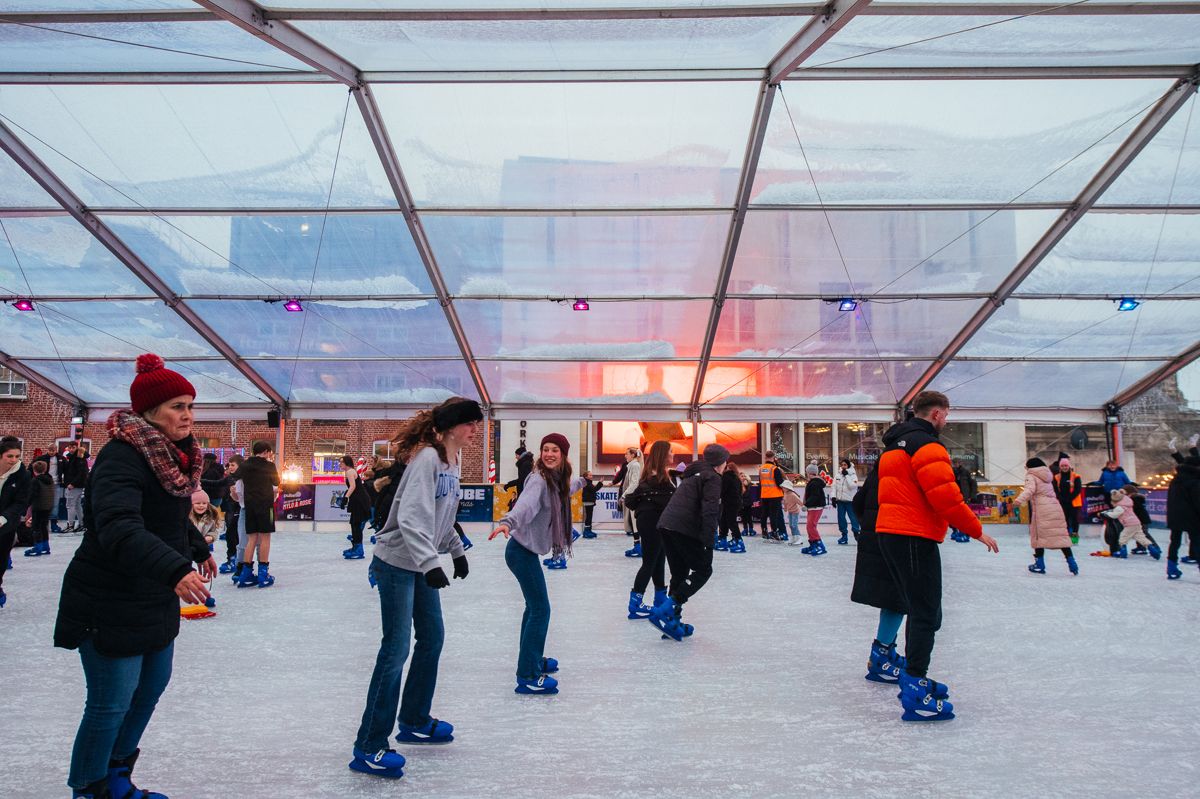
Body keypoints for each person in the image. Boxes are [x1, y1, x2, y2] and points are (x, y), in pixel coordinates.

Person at [55, 354, 215, 799]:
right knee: (110, 703)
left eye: (189, 405)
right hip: (110, 597)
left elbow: (165, 516)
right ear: (149, 413)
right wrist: (174, 568)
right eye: (176, 407)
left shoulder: (171, 457)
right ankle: (90, 787)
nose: (186, 415)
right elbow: (120, 526)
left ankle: (118, 777)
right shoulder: (122, 457)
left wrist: (196, 549)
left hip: (152, 595)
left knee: (149, 690)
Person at [349, 397, 480, 780]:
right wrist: (429, 562)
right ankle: (369, 745)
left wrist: (456, 551)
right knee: (395, 649)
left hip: (421, 561)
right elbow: (410, 515)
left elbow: (444, 513)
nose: (475, 430)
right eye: (470, 423)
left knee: (433, 637)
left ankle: (414, 719)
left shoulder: (452, 462)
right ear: (453, 425)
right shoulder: (426, 458)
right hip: (396, 562)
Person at [872, 391, 999, 722]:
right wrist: (975, 529)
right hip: (912, 535)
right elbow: (946, 496)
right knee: (926, 612)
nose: (947, 420)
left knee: (921, 608)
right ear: (938, 414)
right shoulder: (928, 446)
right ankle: (914, 686)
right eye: (947, 414)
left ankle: (914, 677)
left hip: (892, 532)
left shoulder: (894, 446)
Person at [488, 433, 583, 695]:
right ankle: (528, 674)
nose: (549, 454)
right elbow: (525, 505)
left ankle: (532, 658)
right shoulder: (539, 480)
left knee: (534, 609)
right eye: (545, 449)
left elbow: (569, 488)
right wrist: (507, 522)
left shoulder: (557, 480)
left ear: (563, 454)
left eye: (554, 450)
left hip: (525, 551)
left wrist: (584, 481)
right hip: (521, 551)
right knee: (541, 610)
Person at [647, 444, 729, 642]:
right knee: (703, 570)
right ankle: (666, 610)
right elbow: (709, 510)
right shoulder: (712, 477)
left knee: (680, 573)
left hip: (667, 525)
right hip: (682, 527)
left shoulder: (694, 474)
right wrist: (709, 542)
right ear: (720, 462)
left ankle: (671, 622)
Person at [623, 440, 676, 620]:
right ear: (663, 455)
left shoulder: (657, 476)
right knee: (650, 562)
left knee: (659, 559)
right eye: (670, 452)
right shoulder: (658, 478)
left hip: (654, 522)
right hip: (651, 522)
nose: (673, 455)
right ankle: (635, 603)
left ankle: (660, 599)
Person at [1013, 458, 1077, 576]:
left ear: (1030, 467)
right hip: (1055, 507)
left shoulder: (1031, 475)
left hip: (1042, 509)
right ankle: (1073, 564)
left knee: (1038, 537)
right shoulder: (1048, 475)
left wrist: (1017, 501)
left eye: (1026, 467)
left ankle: (1039, 564)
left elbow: (1029, 490)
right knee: (1060, 537)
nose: (1026, 469)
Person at [234, 441, 281, 588]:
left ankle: (246, 573)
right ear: (266, 451)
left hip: (249, 506)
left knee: (251, 539)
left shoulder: (245, 465)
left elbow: (235, 476)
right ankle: (263, 573)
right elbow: (276, 481)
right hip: (266, 506)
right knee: (265, 537)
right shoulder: (269, 465)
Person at [0, 437, 33, 607]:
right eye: (9, 456)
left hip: (6, 525)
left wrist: (4, 518)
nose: (13, 460)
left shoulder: (23, 475)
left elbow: (21, 502)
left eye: (17, 456)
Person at [1165, 447, 1200, 580]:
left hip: (1175, 516)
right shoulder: (1195, 482)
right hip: (1192, 517)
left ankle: (1171, 567)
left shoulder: (1176, 480)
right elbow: (1198, 502)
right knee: (1197, 542)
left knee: (1175, 541)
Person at [1103, 486, 1159, 559]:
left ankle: (1123, 552)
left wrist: (1105, 514)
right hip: (1137, 523)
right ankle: (1152, 549)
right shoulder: (1129, 504)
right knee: (1141, 537)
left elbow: (1114, 515)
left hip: (1129, 524)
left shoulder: (1120, 507)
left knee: (1123, 537)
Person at [342, 455, 372, 560]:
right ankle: (356, 547)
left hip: (360, 501)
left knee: (356, 524)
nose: (340, 464)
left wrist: (345, 498)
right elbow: (353, 487)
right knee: (355, 524)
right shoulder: (351, 471)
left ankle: (358, 550)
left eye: (341, 462)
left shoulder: (350, 472)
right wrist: (346, 497)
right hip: (358, 500)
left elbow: (353, 486)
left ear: (346, 463)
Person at [24, 458, 55, 557]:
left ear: (34, 470)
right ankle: (46, 546)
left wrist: (25, 506)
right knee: (44, 526)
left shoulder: (35, 481)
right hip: (48, 506)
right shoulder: (50, 479)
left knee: (36, 527)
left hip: (38, 506)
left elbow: (32, 494)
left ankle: (37, 547)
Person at [217, 455, 243, 574]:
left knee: (235, 535)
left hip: (239, 510)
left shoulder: (243, 479)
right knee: (229, 534)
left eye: (233, 465)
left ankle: (237, 560)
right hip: (229, 509)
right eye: (229, 465)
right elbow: (216, 483)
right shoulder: (229, 478)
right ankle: (231, 558)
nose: (230, 467)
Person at [1053, 453, 1083, 545]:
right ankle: (1065, 536)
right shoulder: (1057, 477)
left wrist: (1070, 498)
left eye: (1066, 465)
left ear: (1069, 466)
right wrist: (1060, 498)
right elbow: (1055, 489)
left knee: (1074, 519)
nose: (1064, 467)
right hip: (1062, 502)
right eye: (1062, 466)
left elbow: (1078, 489)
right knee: (1064, 520)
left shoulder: (1076, 476)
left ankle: (1074, 537)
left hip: (1074, 502)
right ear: (1060, 467)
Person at [758, 451, 787, 542]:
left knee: (764, 514)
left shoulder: (761, 468)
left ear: (765, 457)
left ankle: (764, 530)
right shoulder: (775, 469)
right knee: (774, 515)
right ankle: (774, 532)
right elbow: (779, 483)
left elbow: (760, 482)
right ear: (773, 457)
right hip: (775, 495)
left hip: (764, 494)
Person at [800, 463, 828, 556]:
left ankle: (820, 545)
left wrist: (806, 504)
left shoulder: (815, 483)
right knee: (809, 526)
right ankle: (813, 544)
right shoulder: (813, 482)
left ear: (809, 472)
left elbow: (815, 496)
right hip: (813, 507)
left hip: (815, 507)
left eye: (807, 472)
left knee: (811, 526)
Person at [62, 439, 89, 534]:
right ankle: (82, 524)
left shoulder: (79, 458)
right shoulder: (72, 458)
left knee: (70, 505)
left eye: (73, 447)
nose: (71, 449)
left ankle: (70, 525)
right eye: (70, 447)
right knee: (77, 505)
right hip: (76, 485)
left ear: (77, 447)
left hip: (74, 485)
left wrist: (73, 483)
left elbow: (81, 473)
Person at [620, 447, 643, 558]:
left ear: (633, 455)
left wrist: (624, 495)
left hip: (634, 498)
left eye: (627, 453)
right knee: (633, 523)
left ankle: (638, 547)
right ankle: (637, 545)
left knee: (635, 523)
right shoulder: (632, 466)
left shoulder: (635, 466)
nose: (625, 456)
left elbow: (634, 483)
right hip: (632, 497)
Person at [948, 459, 978, 543]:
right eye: (954, 463)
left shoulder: (966, 472)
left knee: (964, 516)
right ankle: (955, 531)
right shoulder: (950, 472)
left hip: (965, 498)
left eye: (956, 463)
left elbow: (973, 484)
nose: (955, 464)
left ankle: (965, 533)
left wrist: (972, 496)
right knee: (953, 516)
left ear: (960, 463)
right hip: (954, 498)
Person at [718, 461, 745, 553]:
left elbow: (722, 490)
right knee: (724, 520)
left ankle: (738, 541)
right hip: (735, 502)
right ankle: (723, 539)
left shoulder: (726, 477)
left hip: (729, 502)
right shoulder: (737, 478)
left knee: (730, 521)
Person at [833, 459, 861, 545]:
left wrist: (847, 476)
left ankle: (856, 534)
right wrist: (833, 497)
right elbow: (834, 486)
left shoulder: (853, 475)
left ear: (848, 465)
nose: (843, 466)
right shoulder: (838, 475)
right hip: (840, 501)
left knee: (853, 518)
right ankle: (844, 535)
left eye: (845, 465)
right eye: (842, 465)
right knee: (841, 518)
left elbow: (853, 486)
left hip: (850, 501)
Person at [580, 471, 604, 538]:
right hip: (588, 501)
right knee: (589, 516)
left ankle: (588, 530)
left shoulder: (588, 482)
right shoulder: (587, 483)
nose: (592, 476)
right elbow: (594, 489)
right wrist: (600, 482)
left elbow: (594, 489)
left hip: (589, 501)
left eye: (591, 475)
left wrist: (600, 483)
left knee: (589, 516)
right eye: (590, 475)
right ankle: (586, 532)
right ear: (586, 476)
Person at [782, 478, 803, 546]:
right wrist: (785, 509)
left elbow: (799, 501)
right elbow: (785, 502)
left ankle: (799, 539)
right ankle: (794, 538)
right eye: (782, 487)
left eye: (784, 487)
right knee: (791, 525)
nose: (782, 488)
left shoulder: (793, 495)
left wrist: (803, 506)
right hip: (790, 511)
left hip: (795, 512)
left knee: (794, 525)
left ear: (788, 488)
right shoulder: (785, 494)